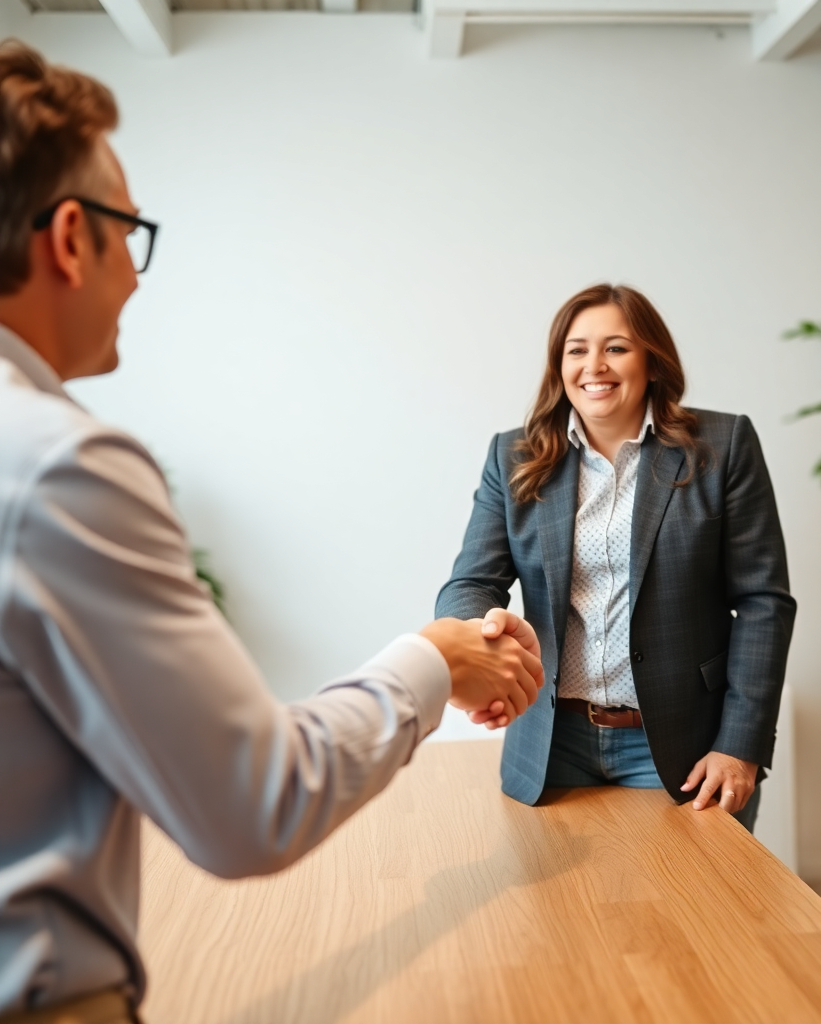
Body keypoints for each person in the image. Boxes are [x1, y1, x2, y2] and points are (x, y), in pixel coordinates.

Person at [0, 41, 542, 1024]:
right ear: (72, 238)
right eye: (131, 233)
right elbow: (255, 804)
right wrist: (434, 657)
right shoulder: (58, 464)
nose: (134, 275)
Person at [436, 284, 796, 825]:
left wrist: (740, 745)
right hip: (552, 744)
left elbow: (764, 601)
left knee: (696, 907)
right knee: (558, 907)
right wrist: (478, 645)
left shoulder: (723, 446)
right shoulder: (514, 456)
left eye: (617, 348)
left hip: (685, 746)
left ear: (652, 360)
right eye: (576, 350)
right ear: (559, 366)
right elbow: (471, 583)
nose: (594, 365)